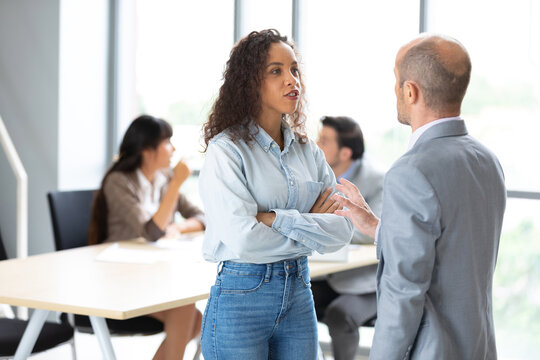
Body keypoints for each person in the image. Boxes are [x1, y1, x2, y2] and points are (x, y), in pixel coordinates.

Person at [333, 34, 506, 359]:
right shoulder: (487, 160)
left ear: (410, 91)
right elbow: (452, 249)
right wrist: (377, 226)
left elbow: (403, 292)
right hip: (478, 348)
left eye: (396, 82)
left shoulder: (411, 170)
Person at [198, 29, 354, 359]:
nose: (291, 80)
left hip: (299, 292)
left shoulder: (308, 151)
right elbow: (244, 239)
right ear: (250, 82)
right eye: (276, 71)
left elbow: (343, 230)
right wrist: (312, 225)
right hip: (242, 295)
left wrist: (274, 219)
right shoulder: (226, 152)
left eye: (294, 69)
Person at [88, 114, 205, 360]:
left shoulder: (162, 180)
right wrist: (176, 185)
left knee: (195, 319)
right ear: (147, 150)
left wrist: (178, 228)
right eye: (166, 142)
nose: (173, 149)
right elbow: (151, 232)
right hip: (118, 281)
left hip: (150, 277)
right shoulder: (119, 182)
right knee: (187, 313)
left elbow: (202, 218)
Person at [313, 115, 384, 360]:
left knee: (340, 314)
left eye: (324, 140)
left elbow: (371, 232)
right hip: (325, 274)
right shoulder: (317, 175)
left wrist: (322, 227)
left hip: (365, 282)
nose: (316, 144)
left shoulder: (378, 180)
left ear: (344, 153)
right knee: (286, 299)